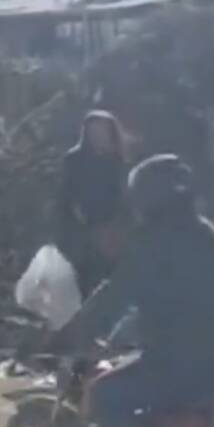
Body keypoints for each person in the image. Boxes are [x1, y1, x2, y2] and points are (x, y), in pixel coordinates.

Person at [50, 154, 214, 427]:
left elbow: (116, 295)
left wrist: (74, 332)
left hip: (182, 363)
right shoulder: (205, 232)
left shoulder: (154, 241)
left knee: (105, 393)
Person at [56, 110, 130, 299]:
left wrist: (117, 224)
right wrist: (80, 217)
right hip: (84, 227)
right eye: (93, 131)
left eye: (102, 131)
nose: (98, 136)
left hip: (114, 227)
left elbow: (124, 192)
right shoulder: (74, 159)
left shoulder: (118, 159)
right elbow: (67, 193)